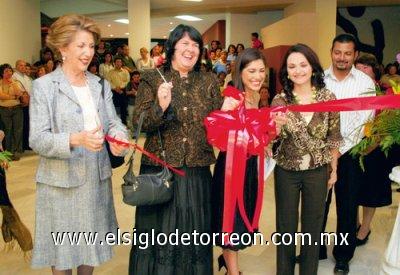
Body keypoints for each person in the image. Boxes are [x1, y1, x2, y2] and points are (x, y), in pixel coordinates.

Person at [29, 14, 128, 275]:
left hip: (95, 180)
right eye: (81, 46)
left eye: (91, 46)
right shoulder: (44, 87)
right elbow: (37, 138)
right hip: (60, 183)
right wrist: (76, 139)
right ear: (63, 48)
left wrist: (119, 139)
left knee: (89, 247)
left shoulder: (99, 85)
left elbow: (113, 123)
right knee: (61, 251)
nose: (88, 53)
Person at [129, 24, 223, 275]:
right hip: (160, 169)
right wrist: (160, 106)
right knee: (160, 230)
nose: (190, 49)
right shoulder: (152, 78)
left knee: (194, 231)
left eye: (195, 44)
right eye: (184, 43)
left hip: (197, 170)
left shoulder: (209, 80)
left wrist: (232, 116)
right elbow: (139, 123)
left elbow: (218, 124)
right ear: (172, 48)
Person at [211, 48, 285, 275]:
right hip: (233, 167)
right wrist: (225, 114)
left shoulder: (256, 98)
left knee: (243, 218)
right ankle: (233, 272)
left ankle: (227, 261)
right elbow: (220, 138)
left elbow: (258, 138)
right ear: (240, 72)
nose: (257, 76)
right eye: (251, 70)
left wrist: (275, 129)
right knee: (231, 219)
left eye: (261, 70)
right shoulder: (233, 96)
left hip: (251, 166)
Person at [271, 43, 342, 275]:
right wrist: (274, 128)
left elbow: (333, 138)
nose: (298, 70)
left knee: (313, 227)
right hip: (286, 171)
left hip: (317, 170)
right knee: (286, 227)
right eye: (292, 66)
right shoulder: (280, 100)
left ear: (312, 67)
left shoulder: (328, 97)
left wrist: (334, 169)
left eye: (303, 65)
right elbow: (272, 139)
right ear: (286, 71)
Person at [321, 33, 375, 274]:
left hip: (351, 152)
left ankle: (343, 256)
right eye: (337, 52)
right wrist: (327, 149)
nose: (341, 58)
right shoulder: (318, 79)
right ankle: (315, 249)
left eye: (347, 53)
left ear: (355, 55)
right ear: (331, 52)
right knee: (317, 206)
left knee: (347, 206)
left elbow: (365, 120)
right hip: (320, 152)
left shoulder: (365, 83)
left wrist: (339, 150)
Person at [354, 54, 400, 246]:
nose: (361, 70)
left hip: (374, 149)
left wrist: (371, 145)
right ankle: (353, 223)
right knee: (352, 189)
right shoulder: (351, 90)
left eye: (366, 67)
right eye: (358, 67)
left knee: (370, 191)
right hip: (352, 148)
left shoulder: (386, 92)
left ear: (374, 70)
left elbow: (388, 123)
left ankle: (365, 228)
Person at [0, 63, 25, 160]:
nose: (9, 73)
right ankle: (8, 152)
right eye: (6, 71)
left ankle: (15, 151)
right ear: (2, 73)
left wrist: (13, 83)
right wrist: (12, 96)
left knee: (18, 130)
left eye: (10, 71)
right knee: (8, 131)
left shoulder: (16, 82)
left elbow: (19, 94)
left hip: (17, 109)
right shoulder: (0, 83)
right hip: (4, 110)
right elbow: (1, 96)